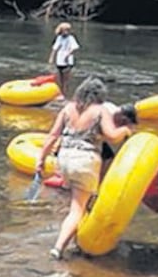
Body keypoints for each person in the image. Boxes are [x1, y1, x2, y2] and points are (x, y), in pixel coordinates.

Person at [36, 77, 132, 260]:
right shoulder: (99, 111)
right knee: (78, 208)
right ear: (100, 96)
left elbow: (52, 136)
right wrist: (126, 131)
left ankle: (77, 240)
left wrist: (41, 159)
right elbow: (112, 137)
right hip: (85, 161)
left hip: (64, 159)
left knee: (77, 202)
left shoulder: (67, 109)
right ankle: (59, 248)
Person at [48, 22, 80, 100]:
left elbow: (75, 47)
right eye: (65, 30)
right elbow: (55, 48)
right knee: (59, 78)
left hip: (68, 61)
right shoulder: (59, 38)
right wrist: (51, 57)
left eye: (68, 30)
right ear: (61, 30)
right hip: (60, 60)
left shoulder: (71, 38)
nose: (66, 32)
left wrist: (68, 54)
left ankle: (65, 95)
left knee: (66, 79)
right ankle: (60, 93)